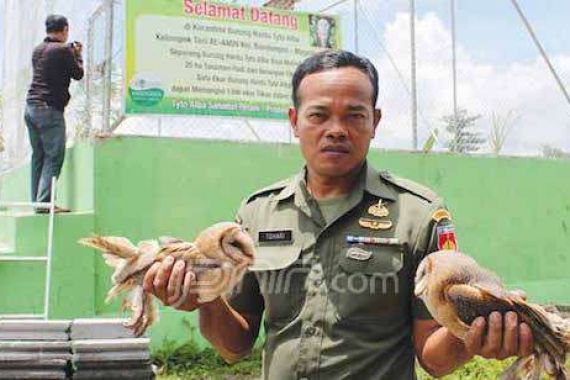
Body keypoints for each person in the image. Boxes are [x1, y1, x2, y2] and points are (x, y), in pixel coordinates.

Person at [143, 50, 534, 379]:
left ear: (374, 123)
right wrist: (205, 299)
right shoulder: (256, 213)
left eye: (354, 115)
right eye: (318, 115)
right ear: (295, 122)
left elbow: (432, 358)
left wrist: (470, 334)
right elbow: (234, 346)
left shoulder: (418, 214)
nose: (336, 130)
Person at [25, 14, 84, 213]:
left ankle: (38, 202)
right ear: (65, 29)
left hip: (31, 107)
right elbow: (78, 74)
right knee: (54, 156)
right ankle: (45, 202)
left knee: (39, 156)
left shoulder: (38, 50)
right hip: (49, 110)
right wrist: (77, 54)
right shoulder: (63, 50)